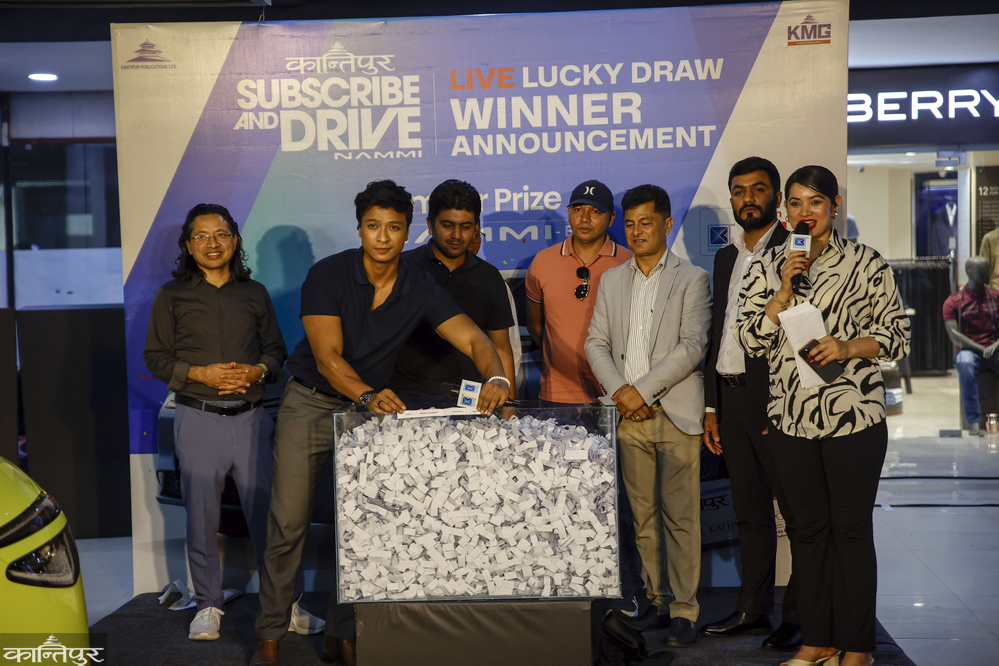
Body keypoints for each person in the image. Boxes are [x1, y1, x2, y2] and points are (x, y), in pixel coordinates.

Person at [251, 180, 509, 666]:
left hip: (366, 414)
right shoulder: (328, 274)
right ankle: (270, 635)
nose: (383, 237)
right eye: (373, 226)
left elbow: (476, 339)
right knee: (288, 522)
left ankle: (345, 634)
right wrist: (368, 394)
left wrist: (496, 376)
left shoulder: (420, 285)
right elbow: (327, 358)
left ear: (408, 231)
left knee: (359, 525)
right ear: (359, 229)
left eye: (393, 227)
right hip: (311, 402)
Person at [735, 166, 910, 666]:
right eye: (795, 203)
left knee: (850, 531)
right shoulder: (768, 264)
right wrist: (782, 293)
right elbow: (749, 339)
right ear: (784, 210)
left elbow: (898, 337)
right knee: (808, 534)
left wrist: (847, 346)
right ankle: (817, 641)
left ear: (834, 206)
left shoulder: (866, 262)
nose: (804, 212)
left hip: (854, 416)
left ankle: (858, 648)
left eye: (815, 202)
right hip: (791, 420)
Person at [144, 203, 289, 641]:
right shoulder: (171, 295)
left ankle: (284, 605)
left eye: (221, 234)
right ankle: (207, 604)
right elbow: (155, 357)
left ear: (235, 240)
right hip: (198, 417)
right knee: (202, 520)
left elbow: (276, 351)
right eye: (202, 236)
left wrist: (257, 372)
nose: (212, 243)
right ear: (188, 246)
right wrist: (199, 373)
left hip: (252, 420)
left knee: (269, 518)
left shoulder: (255, 293)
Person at [585, 184, 711, 648]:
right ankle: (658, 601)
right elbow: (595, 342)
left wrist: (639, 391)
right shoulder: (612, 279)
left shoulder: (692, 278)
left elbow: (693, 346)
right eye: (630, 223)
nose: (637, 231)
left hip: (674, 412)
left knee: (680, 517)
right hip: (627, 415)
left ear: (667, 224)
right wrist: (621, 393)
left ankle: (685, 610)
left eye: (647, 222)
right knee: (643, 517)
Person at [700, 157, 802, 651]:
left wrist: (773, 404)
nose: (747, 199)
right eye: (739, 191)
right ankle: (753, 609)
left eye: (758, 190)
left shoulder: (795, 251)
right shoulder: (726, 257)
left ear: (777, 198)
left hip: (777, 400)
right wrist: (712, 406)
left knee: (797, 514)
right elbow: (718, 334)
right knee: (749, 511)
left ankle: (800, 616)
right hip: (731, 398)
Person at [388, 179, 516, 404]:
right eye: (448, 225)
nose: (457, 235)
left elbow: (502, 349)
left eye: (466, 227)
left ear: (476, 227)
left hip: (470, 404)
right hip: (403, 401)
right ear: (430, 225)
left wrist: (508, 408)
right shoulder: (402, 268)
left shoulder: (489, 277)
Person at [526, 179, 632, 404]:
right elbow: (536, 326)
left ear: (612, 218)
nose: (585, 218)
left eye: (595, 211)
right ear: (568, 213)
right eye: (578, 210)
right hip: (556, 395)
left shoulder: (629, 262)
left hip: (616, 395)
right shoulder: (542, 262)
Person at [942, 255, 999, 435]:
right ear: (969, 272)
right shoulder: (953, 301)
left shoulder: (996, 297)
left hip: (994, 349)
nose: (987, 273)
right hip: (971, 351)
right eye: (982, 269)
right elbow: (954, 334)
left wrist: (996, 345)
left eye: (987, 268)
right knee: (964, 362)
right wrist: (980, 349)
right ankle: (974, 420)